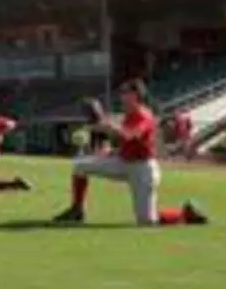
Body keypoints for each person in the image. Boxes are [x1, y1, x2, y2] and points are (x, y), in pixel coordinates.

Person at [53, 79, 208, 226]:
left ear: (135, 95)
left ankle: (185, 214)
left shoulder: (144, 115)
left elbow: (130, 135)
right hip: (124, 162)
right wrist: (112, 151)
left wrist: (107, 126)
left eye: (125, 92)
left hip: (142, 169)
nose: (121, 96)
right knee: (80, 167)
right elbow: (129, 142)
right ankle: (77, 209)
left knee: (147, 221)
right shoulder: (129, 114)